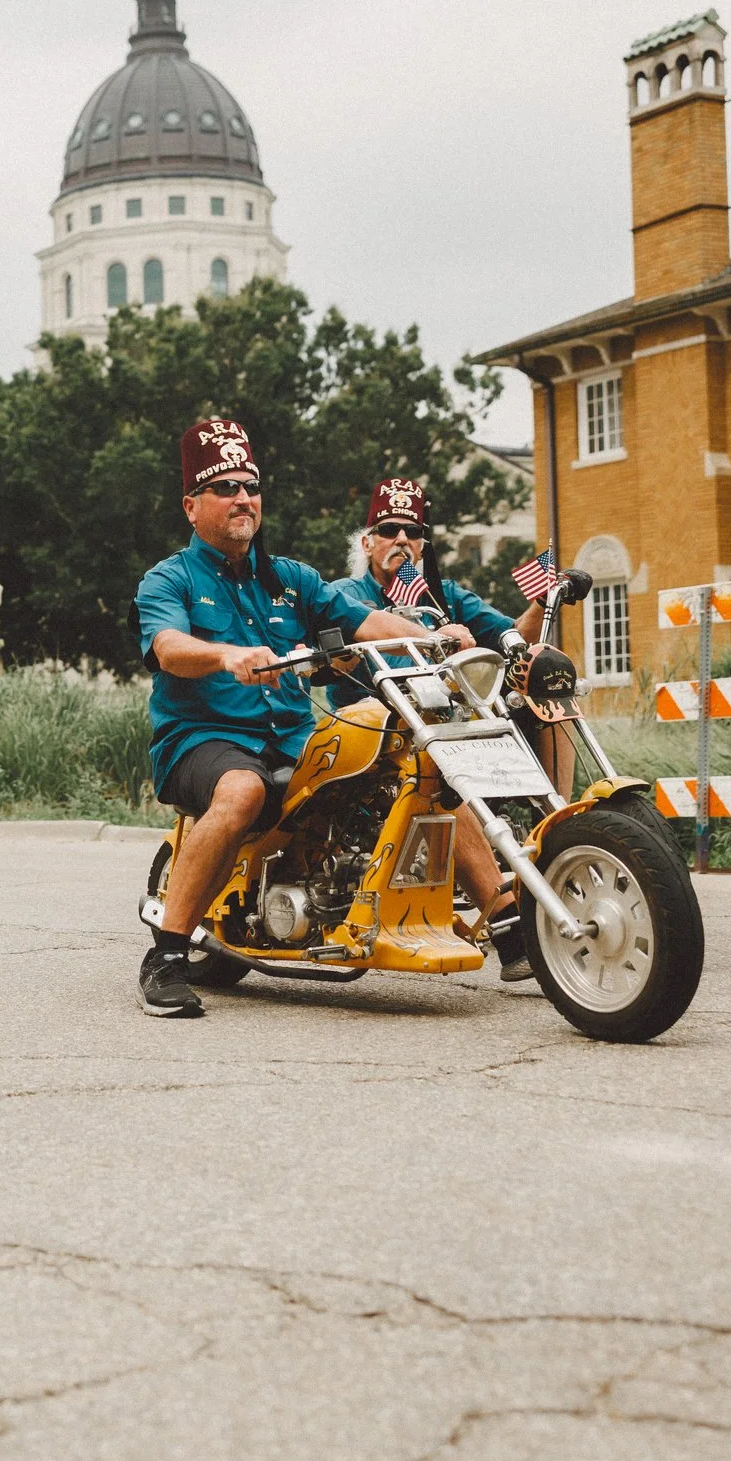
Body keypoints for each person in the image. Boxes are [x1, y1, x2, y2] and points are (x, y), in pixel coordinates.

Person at [132, 419, 434, 1020]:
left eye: (251, 486)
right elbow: (168, 647)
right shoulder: (169, 578)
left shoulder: (291, 579)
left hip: (295, 738)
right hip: (204, 739)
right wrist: (226, 655)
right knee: (241, 790)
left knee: (416, 757)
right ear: (192, 506)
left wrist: (434, 635)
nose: (243, 498)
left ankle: (507, 918)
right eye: (225, 488)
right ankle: (166, 955)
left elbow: (365, 621)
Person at [321, 478, 557, 982]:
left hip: (451, 724)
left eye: (413, 531)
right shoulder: (344, 594)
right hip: (373, 733)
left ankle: (562, 838)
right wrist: (428, 634)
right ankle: (510, 925)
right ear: (368, 542)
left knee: (542, 697)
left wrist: (545, 601)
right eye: (389, 530)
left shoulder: (444, 594)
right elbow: (335, 640)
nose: (401, 540)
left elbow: (510, 635)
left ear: (423, 544)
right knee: (442, 773)